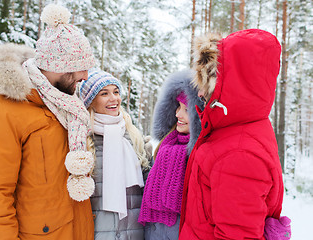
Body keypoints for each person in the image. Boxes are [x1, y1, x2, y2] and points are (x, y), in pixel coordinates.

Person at [0, 4, 96, 240]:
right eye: (80, 68)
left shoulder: (66, 107)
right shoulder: (2, 112)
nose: (85, 76)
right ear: (58, 66)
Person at [179, 29, 289, 239]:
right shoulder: (234, 129)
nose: (200, 93)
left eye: (209, 82)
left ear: (235, 82)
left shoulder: (239, 152)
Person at [79, 69, 151, 240]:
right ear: (90, 101)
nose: (114, 99)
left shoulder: (134, 138)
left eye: (116, 92)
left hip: (135, 233)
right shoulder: (82, 140)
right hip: (97, 234)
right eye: (104, 93)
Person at [138, 70, 203, 240]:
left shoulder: (202, 153)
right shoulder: (166, 145)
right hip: (153, 231)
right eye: (177, 107)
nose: (178, 115)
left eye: (187, 110)